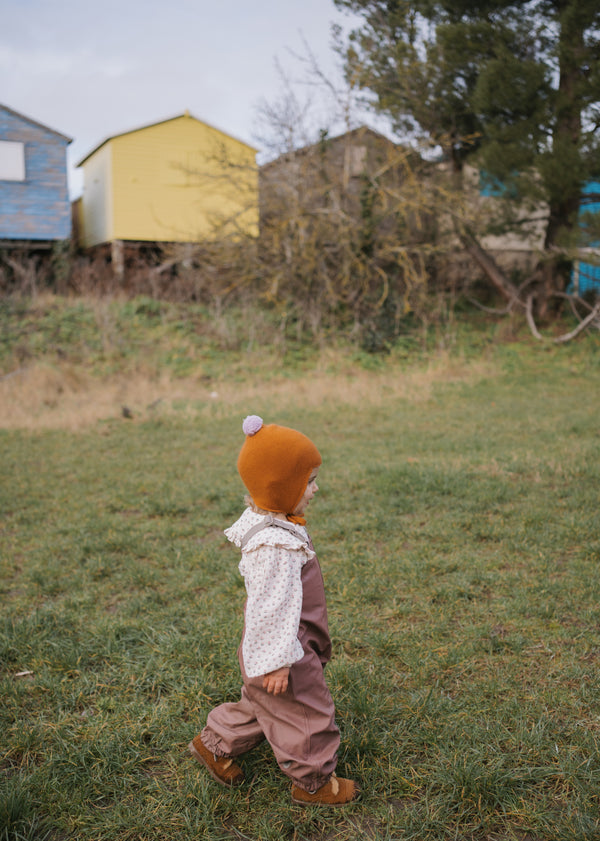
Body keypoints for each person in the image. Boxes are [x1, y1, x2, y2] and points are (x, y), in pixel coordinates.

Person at [188, 414, 359, 806]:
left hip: (271, 643)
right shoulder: (275, 548)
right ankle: (313, 781)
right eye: (308, 482)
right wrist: (279, 662)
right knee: (305, 711)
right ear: (281, 488)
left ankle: (215, 743)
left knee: (264, 701)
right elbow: (272, 608)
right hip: (284, 649)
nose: (316, 489)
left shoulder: (271, 517)